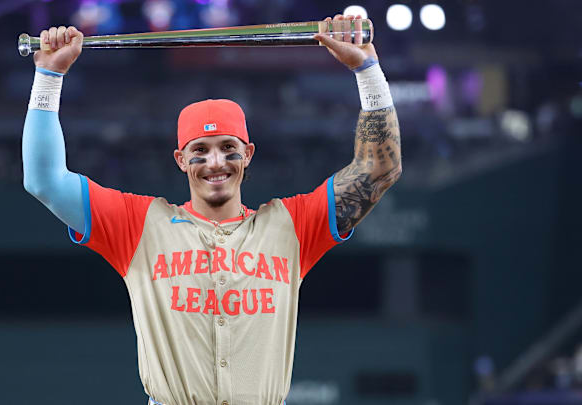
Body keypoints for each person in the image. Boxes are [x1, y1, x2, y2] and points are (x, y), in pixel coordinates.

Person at [22, 13, 401, 405]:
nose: (216, 162)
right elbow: (44, 182)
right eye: (199, 151)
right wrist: (49, 77)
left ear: (248, 154)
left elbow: (379, 170)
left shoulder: (292, 226)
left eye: (228, 147)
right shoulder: (138, 225)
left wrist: (366, 69)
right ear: (180, 160)